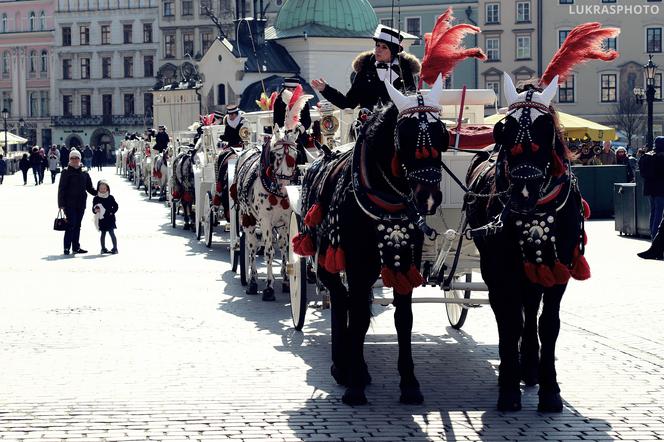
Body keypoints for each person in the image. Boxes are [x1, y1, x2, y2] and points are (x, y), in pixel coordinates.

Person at [311, 24, 420, 112]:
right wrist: (326, 89)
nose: (378, 50)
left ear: (393, 52)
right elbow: (348, 103)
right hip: (368, 125)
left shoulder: (404, 70)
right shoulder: (365, 68)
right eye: (377, 45)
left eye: (384, 47)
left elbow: (411, 101)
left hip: (396, 124)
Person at [57, 149, 97, 255]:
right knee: (71, 224)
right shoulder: (66, 172)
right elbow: (61, 189)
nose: (75, 160)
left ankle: (76, 247)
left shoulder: (84, 172)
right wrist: (61, 204)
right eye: (72, 158)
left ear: (80, 159)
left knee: (78, 225)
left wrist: (99, 193)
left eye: (76, 158)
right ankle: (66, 247)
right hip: (69, 204)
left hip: (81, 203)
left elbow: (89, 187)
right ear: (69, 159)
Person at [639, 136, 664, 239]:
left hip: (650, 188)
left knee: (653, 212)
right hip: (660, 189)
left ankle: (653, 236)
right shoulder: (661, 156)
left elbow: (642, 171)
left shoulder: (646, 156)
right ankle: (656, 237)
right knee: (659, 213)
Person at [92, 180, 119, 254]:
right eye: (101, 188)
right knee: (103, 233)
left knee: (111, 233)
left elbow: (116, 206)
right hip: (102, 219)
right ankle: (103, 248)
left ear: (107, 189)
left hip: (110, 218)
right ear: (98, 189)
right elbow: (93, 208)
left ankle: (115, 248)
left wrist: (112, 212)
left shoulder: (110, 197)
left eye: (104, 188)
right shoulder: (96, 198)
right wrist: (95, 210)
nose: (103, 190)